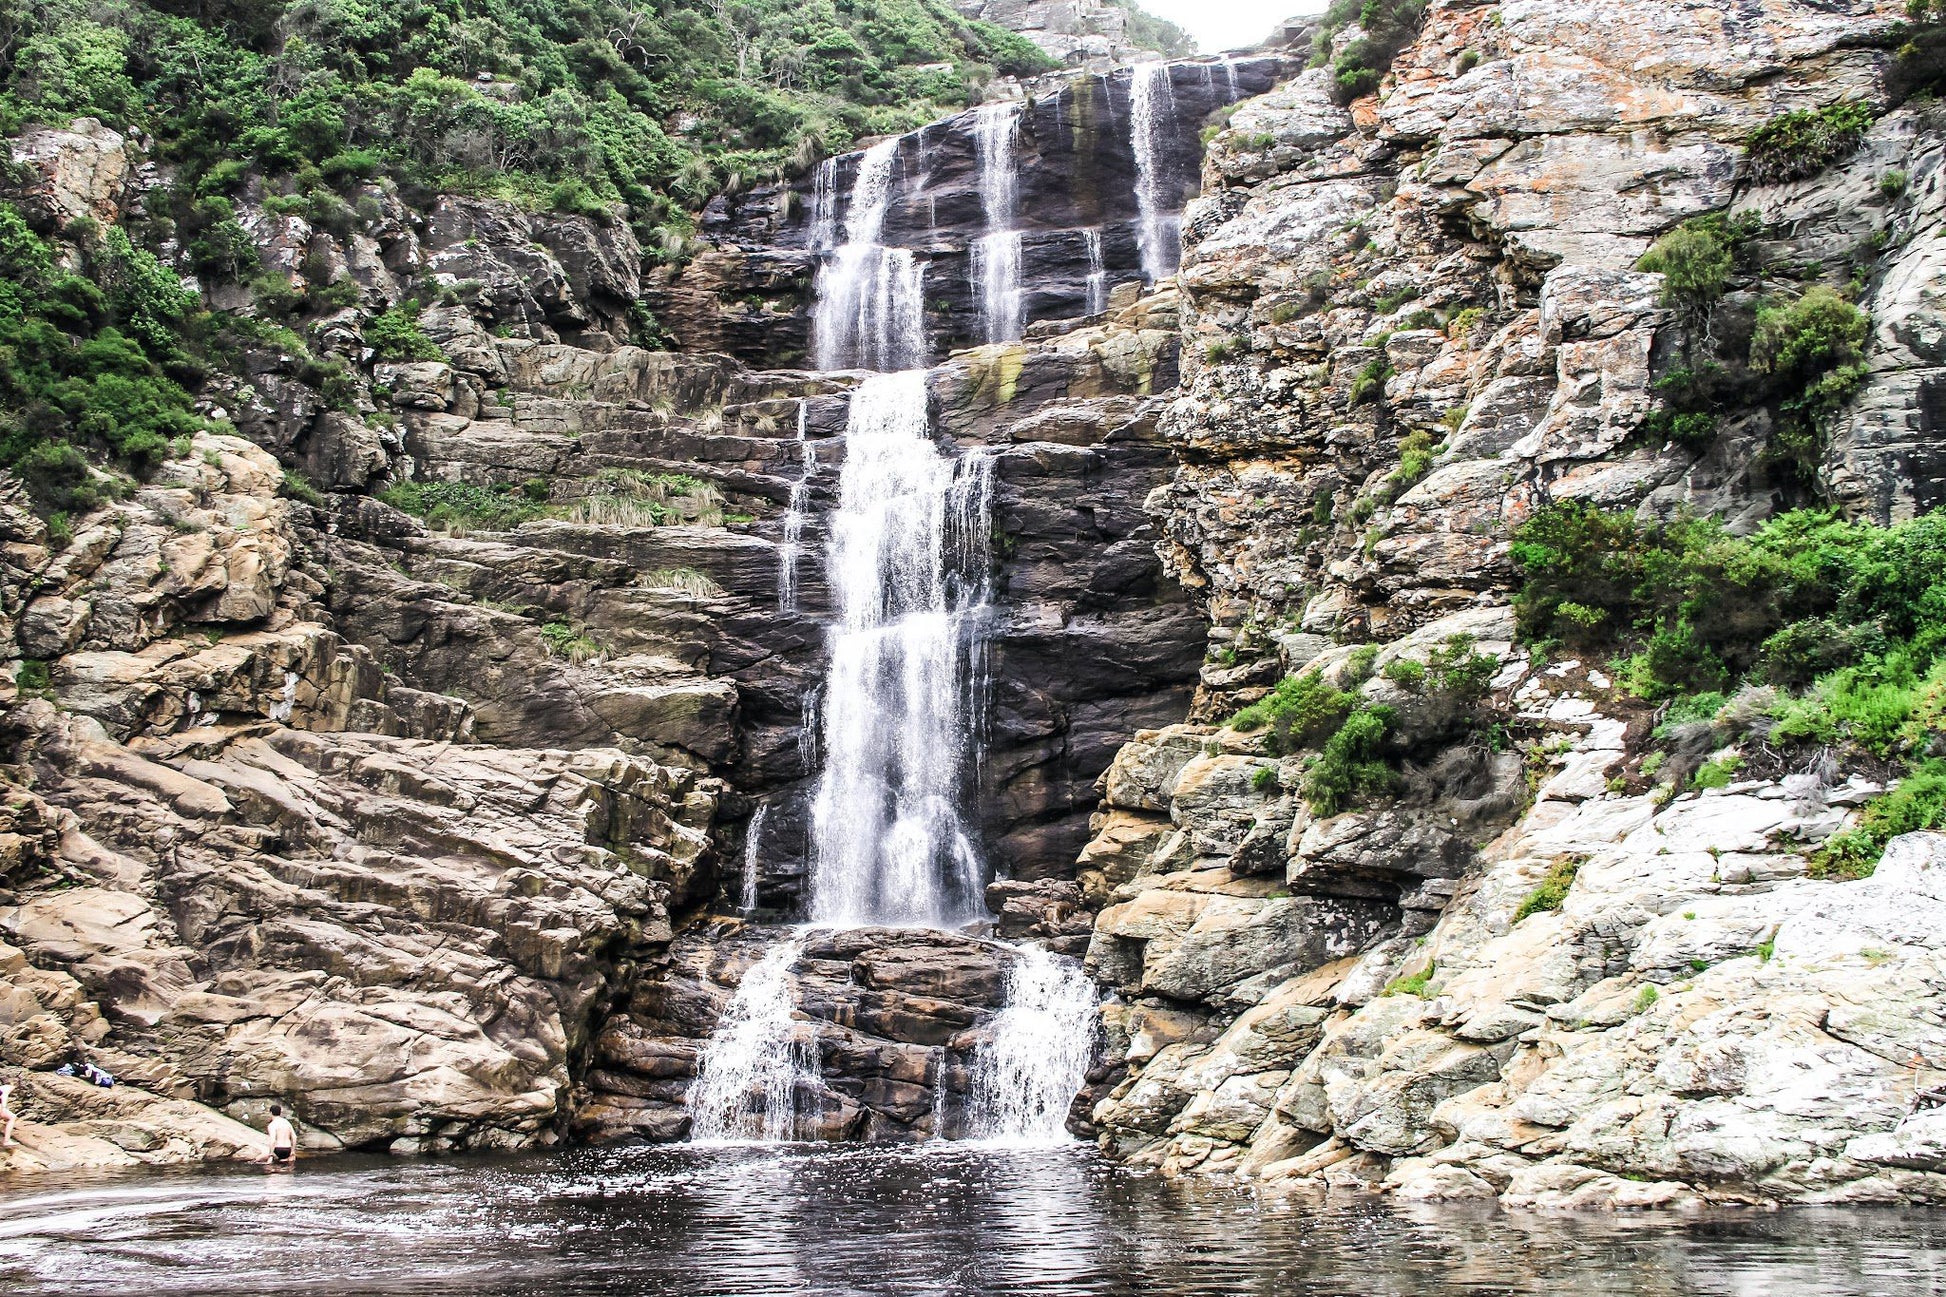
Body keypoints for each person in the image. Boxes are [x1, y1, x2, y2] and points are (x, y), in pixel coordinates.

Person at [263, 1103, 296, 1169]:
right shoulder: (286, 1122)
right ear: (280, 1113)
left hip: (278, 1149)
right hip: (288, 1149)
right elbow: (294, 1137)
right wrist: (292, 1151)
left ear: (271, 1112)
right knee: (285, 1167)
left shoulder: (272, 1125)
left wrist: (271, 1155)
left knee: (261, 1161)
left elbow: (273, 1140)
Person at [1, 1082, 16, 1148]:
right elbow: (4, 1096)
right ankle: (6, 1141)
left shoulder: (1, 1087)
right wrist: (4, 1107)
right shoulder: (8, 1087)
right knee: (12, 1117)